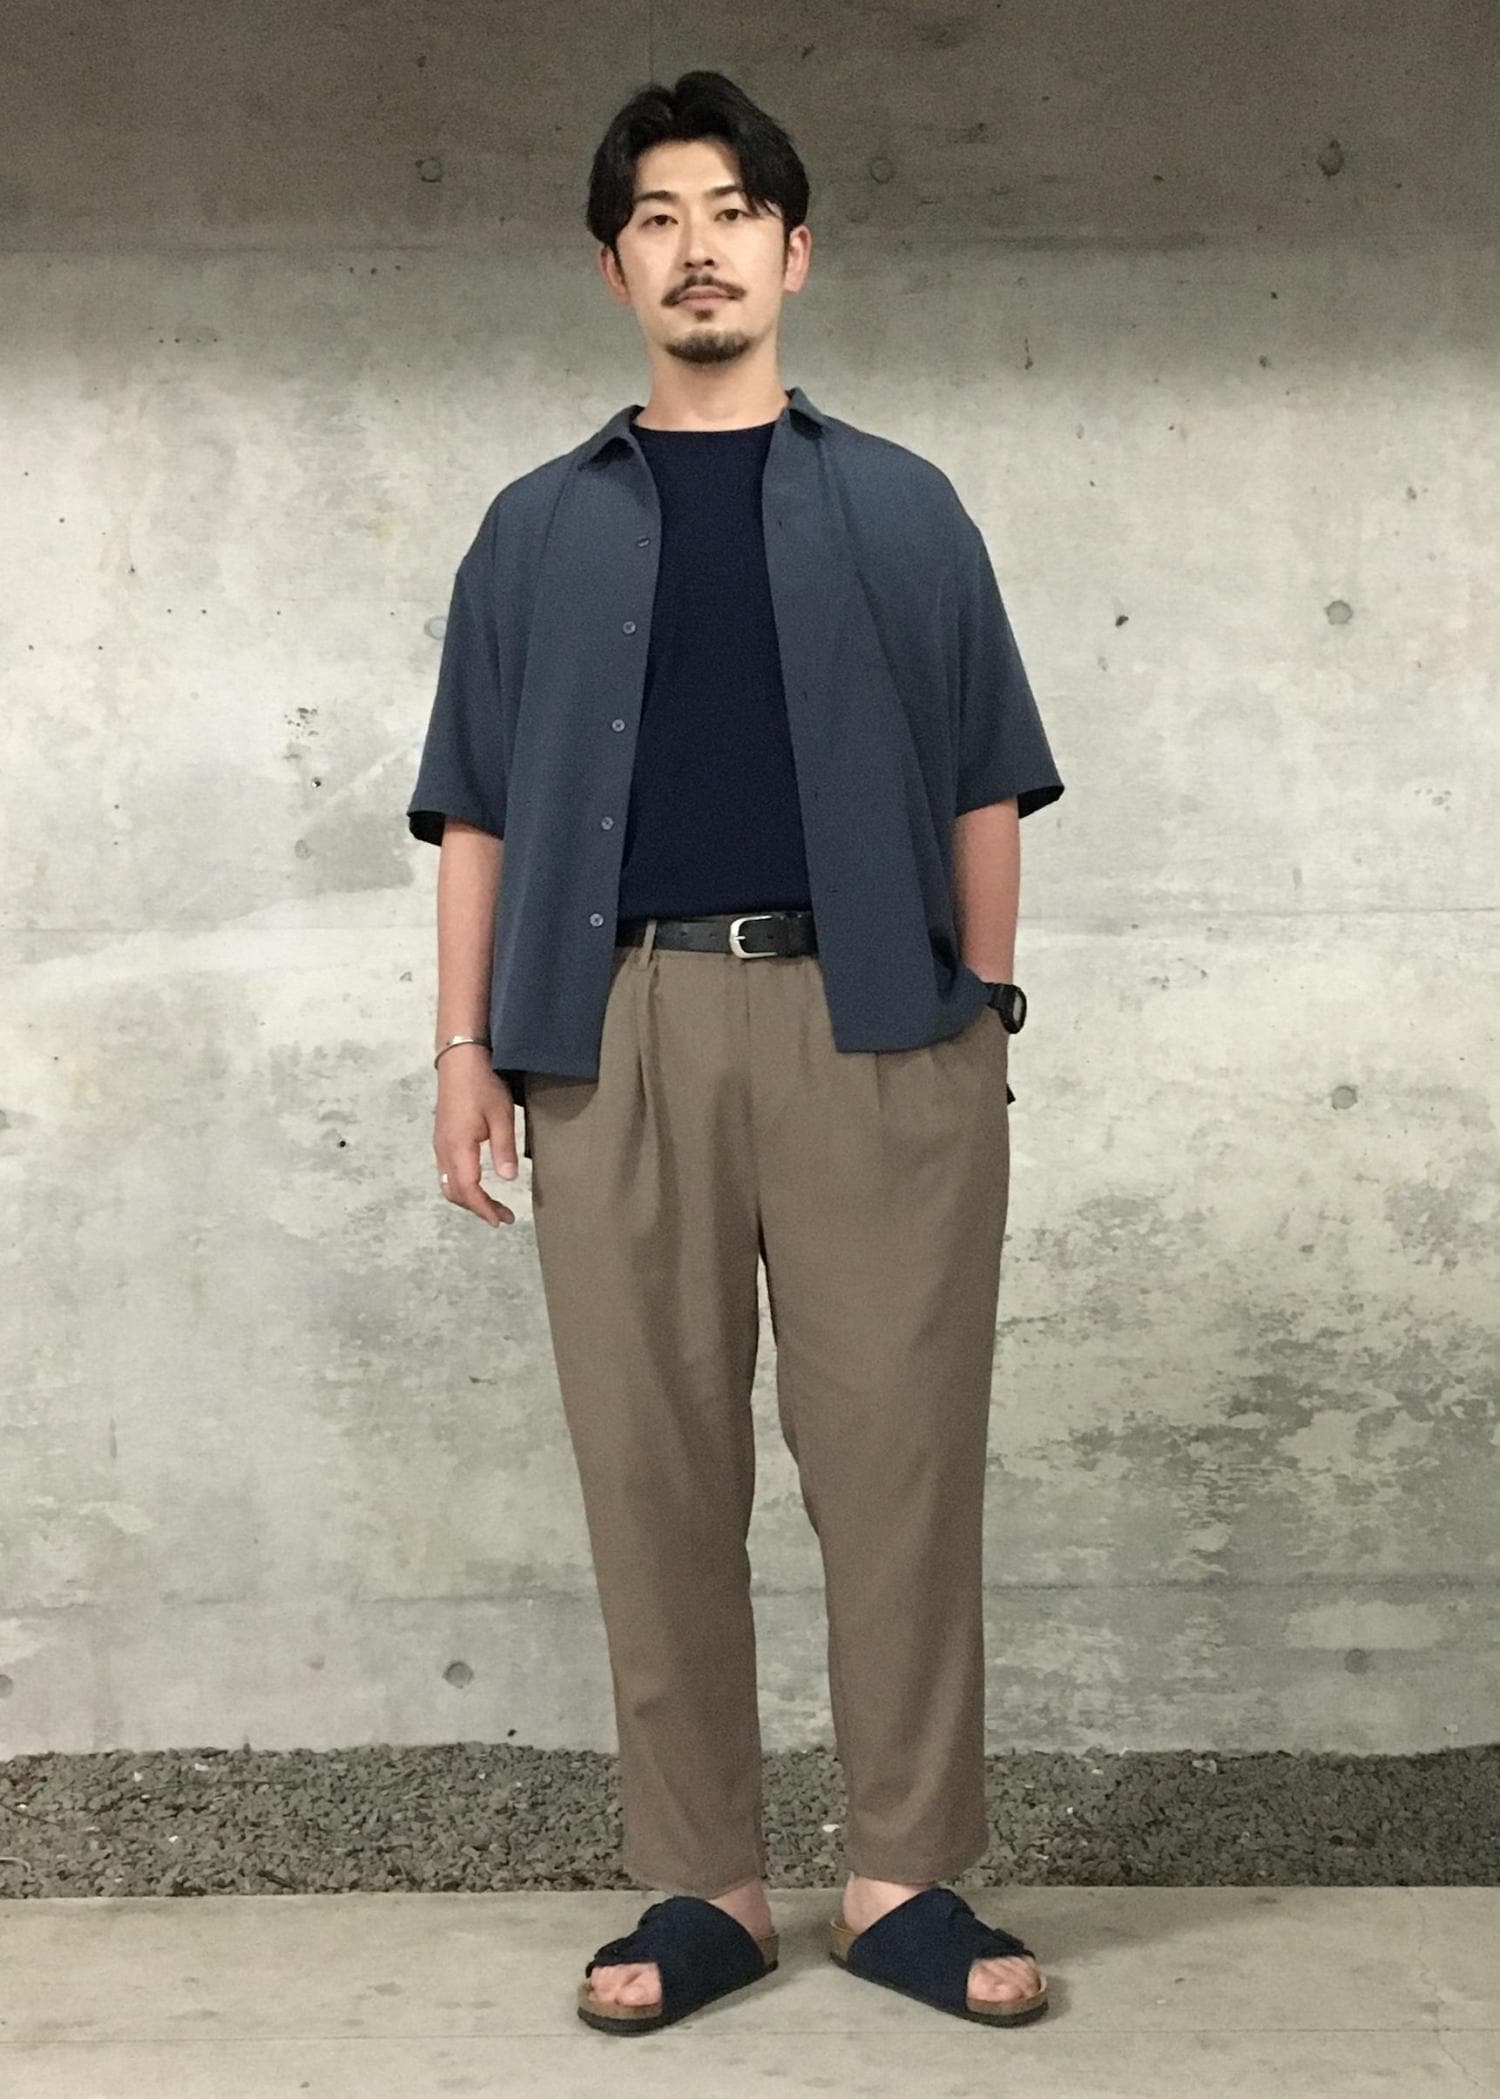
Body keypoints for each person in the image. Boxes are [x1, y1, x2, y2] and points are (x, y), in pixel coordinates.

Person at [405, 69, 1065, 2037]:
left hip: (882, 1029)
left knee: (899, 1461)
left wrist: (981, 1019)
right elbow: (474, 811)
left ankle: (901, 1878)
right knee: (653, 1469)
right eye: (657, 217)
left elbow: (987, 778)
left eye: (730, 213)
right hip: (611, 1037)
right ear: (613, 267)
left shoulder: (904, 506)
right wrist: (464, 1048)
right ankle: (703, 1883)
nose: (697, 248)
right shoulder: (536, 530)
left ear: (795, 252)